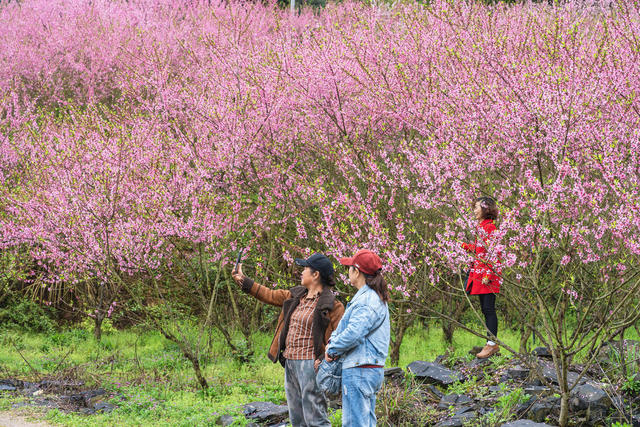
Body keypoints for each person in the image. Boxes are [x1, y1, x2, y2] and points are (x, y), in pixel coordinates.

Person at [232, 253, 344, 427]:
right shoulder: (295, 296)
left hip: (311, 366)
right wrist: (243, 280)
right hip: (290, 362)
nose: (301, 272)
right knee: (297, 419)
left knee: (315, 418)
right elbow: (268, 294)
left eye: (305, 268)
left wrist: (323, 360)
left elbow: (340, 341)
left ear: (315, 275)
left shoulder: (334, 306)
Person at [325, 249, 390, 427]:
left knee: (355, 423)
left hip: (360, 368)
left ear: (357, 271)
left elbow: (354, 333)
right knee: (366, 422)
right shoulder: (373, 296)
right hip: (369, 367)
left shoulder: (367, 300)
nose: (348, 272)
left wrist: (332, 348)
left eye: (349, 268)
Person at [462, 196, 502, 359]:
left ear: (486, 209)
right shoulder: (482, 227)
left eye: (477, 207)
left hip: (486, 275)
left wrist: (488, 274)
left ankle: (492, 344)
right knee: (485, 309)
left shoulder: (490, 228)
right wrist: (463, 246)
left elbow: (495, 253)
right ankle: (489, 342)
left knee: (489, 309)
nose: (474, 210)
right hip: (480, 273)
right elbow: (481, 250)